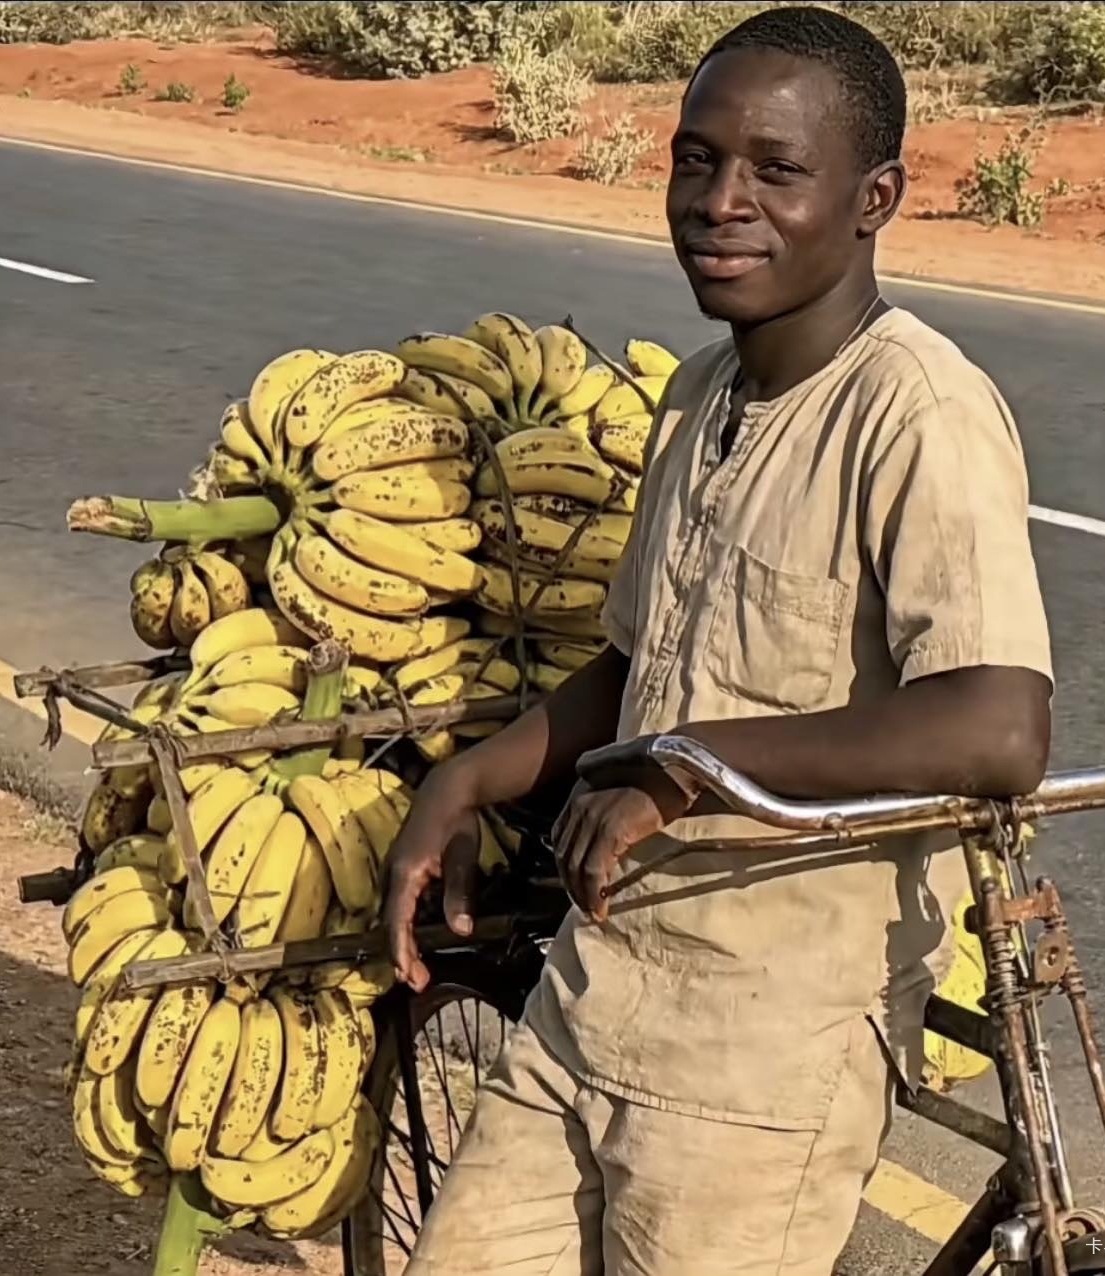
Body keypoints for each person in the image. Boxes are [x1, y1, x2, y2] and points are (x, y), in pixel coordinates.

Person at [385, 7, 1054, 1275]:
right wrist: (465, 778)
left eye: (775, 169)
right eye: (696, 160)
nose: (719, 202)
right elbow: (645, 664)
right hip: (596, 988)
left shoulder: (919, 413)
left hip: (761, 1053)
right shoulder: (701, 395)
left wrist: (688, 766)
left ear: (874, 198)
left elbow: (999, 724)